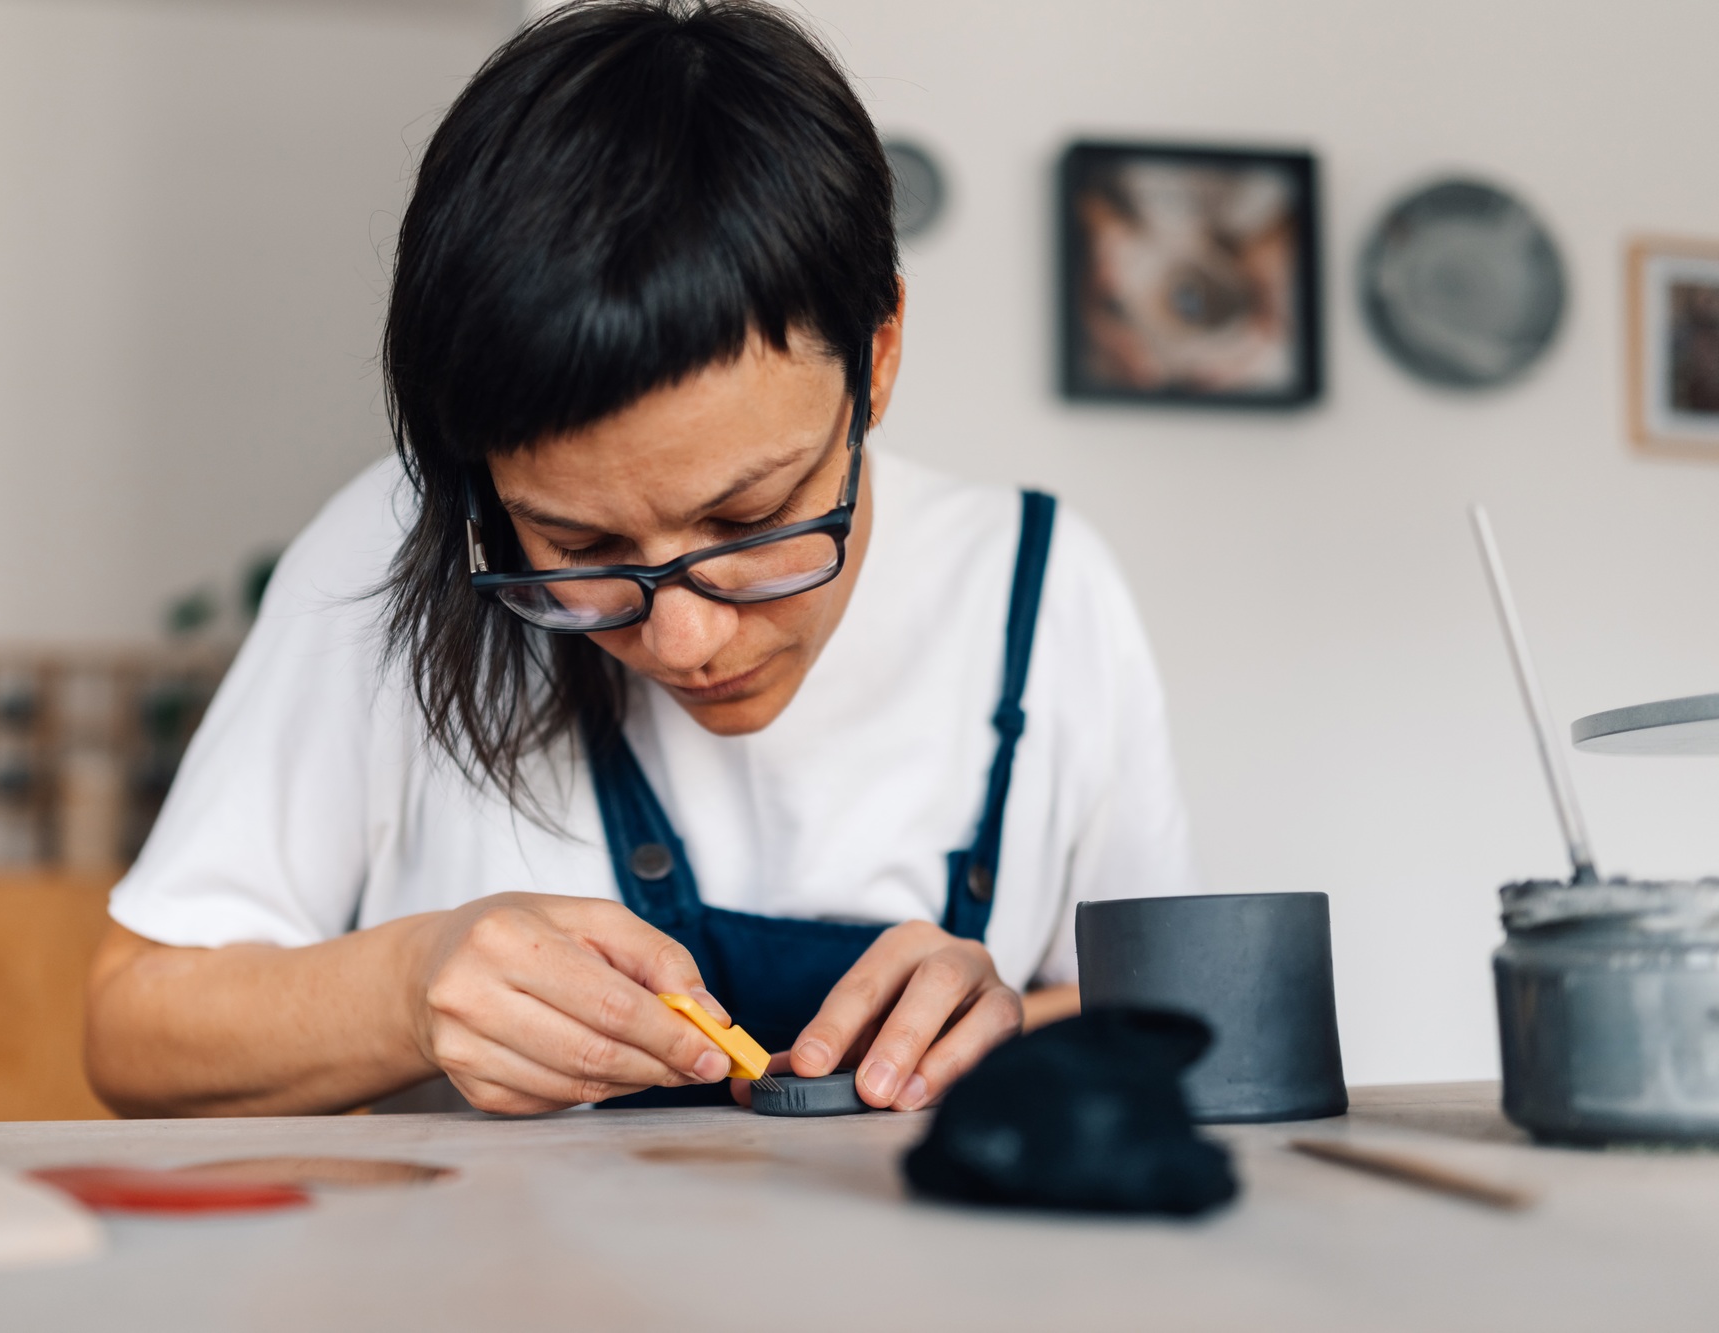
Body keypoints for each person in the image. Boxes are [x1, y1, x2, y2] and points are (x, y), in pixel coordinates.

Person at [85, 0, 1197, 1119]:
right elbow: (132, 1032)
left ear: (879, 353)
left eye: (752, 519)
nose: (683, 638)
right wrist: (406, 988)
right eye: (579, 546)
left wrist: (1002, 1028)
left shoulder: (1038, 587)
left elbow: (1172, 1026)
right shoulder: (375, 554)